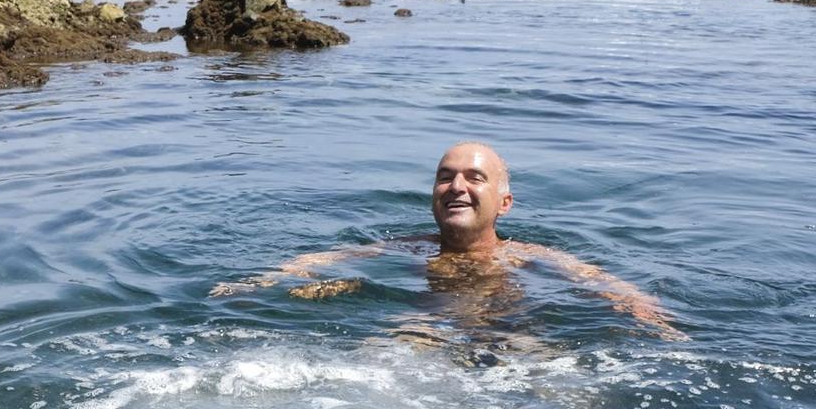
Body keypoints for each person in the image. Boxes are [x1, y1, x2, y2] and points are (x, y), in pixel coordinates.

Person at [212, 141, 685, 341]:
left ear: (504, 203)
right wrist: (263, 281)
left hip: (510, 335)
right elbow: (331, 258)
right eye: (444, 178)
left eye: (474, 177)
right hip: (424, 332)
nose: (456, 186)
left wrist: (646, 311)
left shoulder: (527, 256)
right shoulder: (408, 247)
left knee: (562, 398)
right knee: (378, 370)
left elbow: (598, 280)